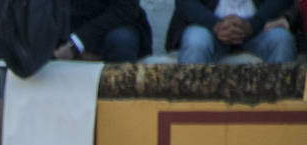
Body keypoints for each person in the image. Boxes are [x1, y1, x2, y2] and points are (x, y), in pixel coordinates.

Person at [166, 0, 296, 62]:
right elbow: (184, 3)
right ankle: (190, 110)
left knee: (282, 39)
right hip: (208, 26)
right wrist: (216, 25)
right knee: (195, 41)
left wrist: (252, 25)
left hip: (258, 26)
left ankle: (277, 112)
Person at [54, 0, 152, 62]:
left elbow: (126, 10)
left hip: (112, 26)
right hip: (66, 26)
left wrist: (76, 44)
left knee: (121, 41)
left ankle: (120, 92)